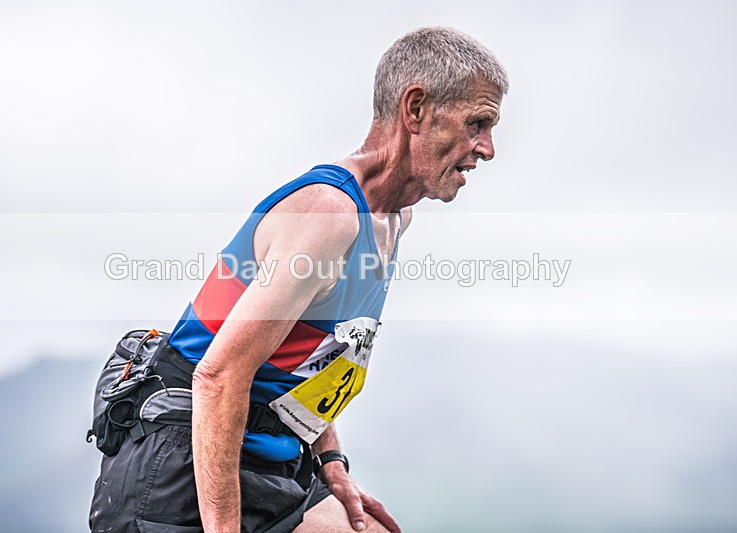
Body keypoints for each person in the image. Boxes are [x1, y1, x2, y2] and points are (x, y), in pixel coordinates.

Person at [89, 26, 508, 533]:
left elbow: (312, 357)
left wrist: (332, 464)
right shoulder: (328, 214)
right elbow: (218, 378)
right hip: (183, 460)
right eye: (477, 124)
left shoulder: (394, 219)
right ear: (415, 109)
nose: (486, 149)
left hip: (271, 459)